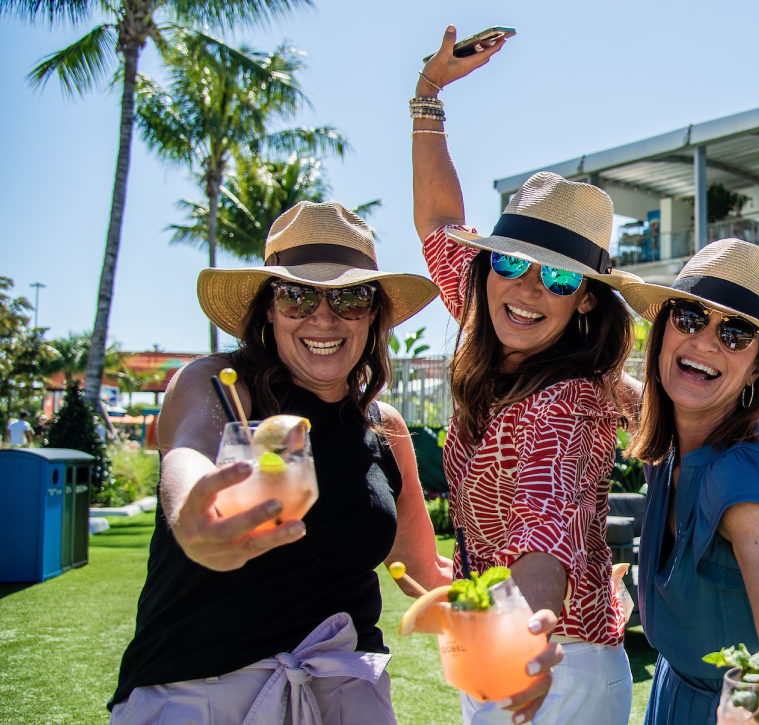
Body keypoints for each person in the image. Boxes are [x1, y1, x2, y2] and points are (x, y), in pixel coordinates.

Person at [108, 201, 565, 725]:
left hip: (346, 696)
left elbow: (423, 574)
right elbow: (187, 454)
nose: (323, 317)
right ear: (269, 310)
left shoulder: (385, 429)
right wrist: (193, 519)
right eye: (297, 296)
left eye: (351, 297)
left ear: (373, 313)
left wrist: (512, 629)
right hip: (199, 694)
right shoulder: (217, 383)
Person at [413, 26, 638, 725]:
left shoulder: (567, 402)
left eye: (561, 277)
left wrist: (529, 629)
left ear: (586, 300)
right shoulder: (495, 318)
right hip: (499, 650)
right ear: (486, 271)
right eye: (510, 262)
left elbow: (551, 527)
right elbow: (439, 221)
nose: (529, 289)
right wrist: (428, 96)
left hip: (552, 665)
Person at [619, 240, 759, 725]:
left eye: (736, 333)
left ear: (758, 367)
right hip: (670, 693)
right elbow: (633, 401)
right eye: (691, 317)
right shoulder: (679, 442)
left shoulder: (739, 475)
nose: (706, 342)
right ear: (662, 330)